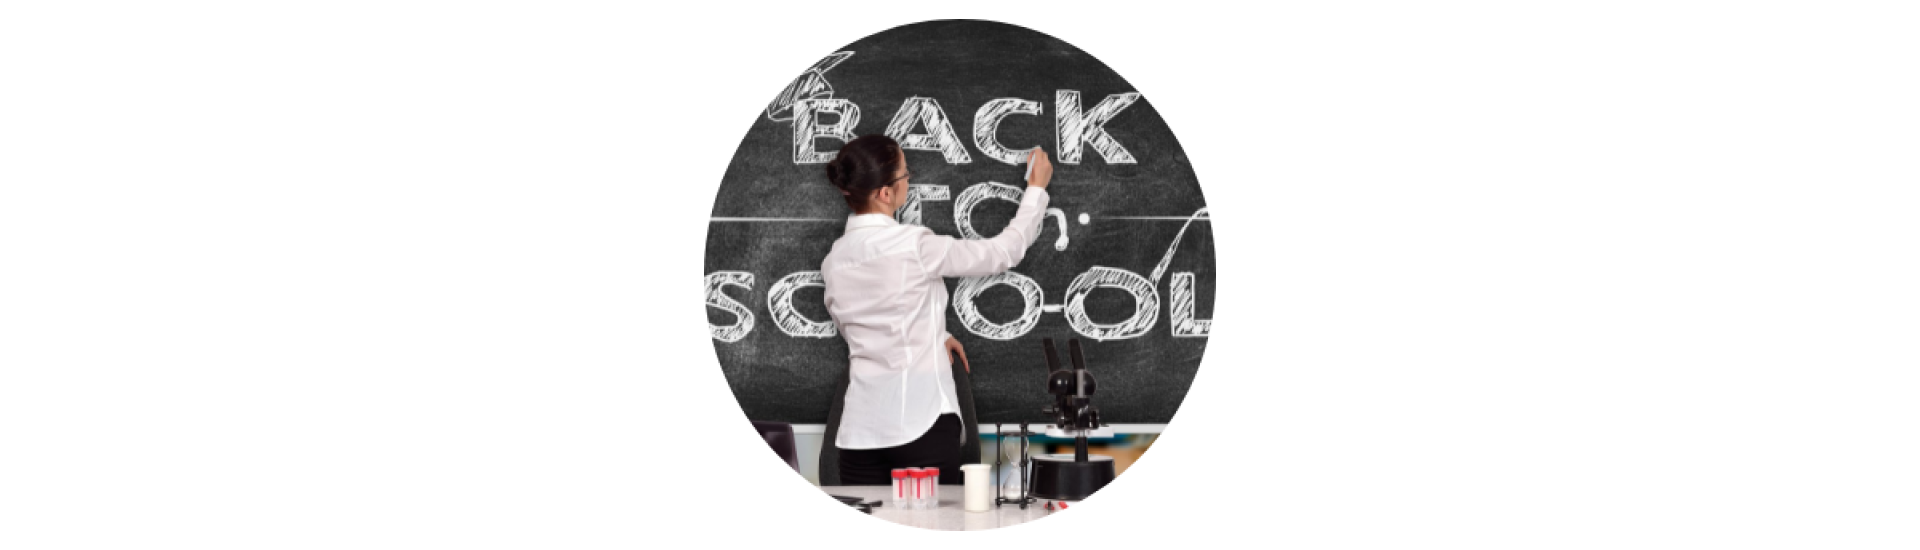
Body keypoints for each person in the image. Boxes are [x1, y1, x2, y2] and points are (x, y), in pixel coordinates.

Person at [819, 135, 1053, 485]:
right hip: (921, 423)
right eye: (905, 174)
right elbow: (1002, 253)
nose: (908, 181)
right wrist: (1036, 190)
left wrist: (935, 335)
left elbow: (863, 325)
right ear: (885, 193)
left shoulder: (833, 260)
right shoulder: (914, 245)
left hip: (859, 433)